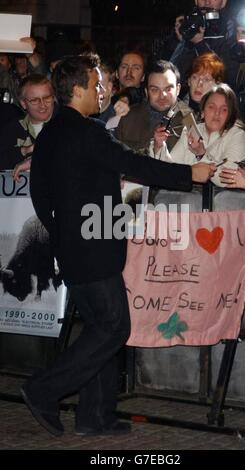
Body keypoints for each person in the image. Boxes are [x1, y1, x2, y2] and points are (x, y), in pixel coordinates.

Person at [20, 54, 215, 437]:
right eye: (95, 84)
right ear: (77, 90)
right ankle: (44, 389)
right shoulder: (86, 131)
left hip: (75, 248)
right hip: (94, 248)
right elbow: (134, 164)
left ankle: (95, 416)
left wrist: (61, 233)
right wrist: (190, 173)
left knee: (99, 328)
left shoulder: (51, 135)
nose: (102, 90)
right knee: (112, 328)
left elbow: (39, 193)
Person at [152, 83, 245, 188]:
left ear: (230, 115)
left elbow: (228, 179)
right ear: (202, 112)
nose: (217, 113)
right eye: (212, 107)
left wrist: (201, 154)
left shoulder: (238, 135)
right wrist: (159, 146)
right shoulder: (192, 130)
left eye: (224, 109)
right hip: (187, 197)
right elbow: (173, 170)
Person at [0, 74, 55, 172]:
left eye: (47, 98)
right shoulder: (12, 128)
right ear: (23, 104)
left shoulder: (65, 124)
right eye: (34, 100)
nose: (43, 105)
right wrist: (24, 150)